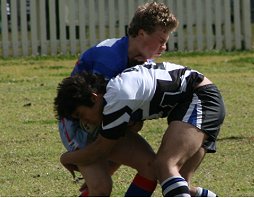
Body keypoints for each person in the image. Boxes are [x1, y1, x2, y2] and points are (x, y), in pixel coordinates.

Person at [58, 1, 179, 196]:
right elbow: (100, 111)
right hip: (80, 123)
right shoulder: (109, 59)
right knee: (101, 187)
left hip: (109, 124)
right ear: (141, 34)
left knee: (150, 167)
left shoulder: (143, 61)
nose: (164, 47)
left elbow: (124, 121)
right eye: (160, 40)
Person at [54, 61, 226, 197]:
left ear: (93, 97)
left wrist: (66, 158)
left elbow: (100, 149)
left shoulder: (115, 101)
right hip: (197, 100)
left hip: (200, 98)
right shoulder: (115, 93)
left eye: (81, 114)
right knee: (180, 183)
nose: (85, 121)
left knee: (165, 165)